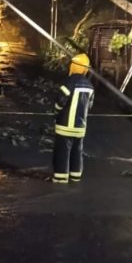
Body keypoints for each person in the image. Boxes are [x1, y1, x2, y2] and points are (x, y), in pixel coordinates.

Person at [52, 53, 95, 184]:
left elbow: (60, 101)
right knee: (77, 152)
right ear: (85, 69)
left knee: (62, 152)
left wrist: (56, 111)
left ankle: (60, 178)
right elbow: (90, 106)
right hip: (80, 127)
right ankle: (76, 176)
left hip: (65, 125)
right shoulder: (90, 86)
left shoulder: (68, 83)